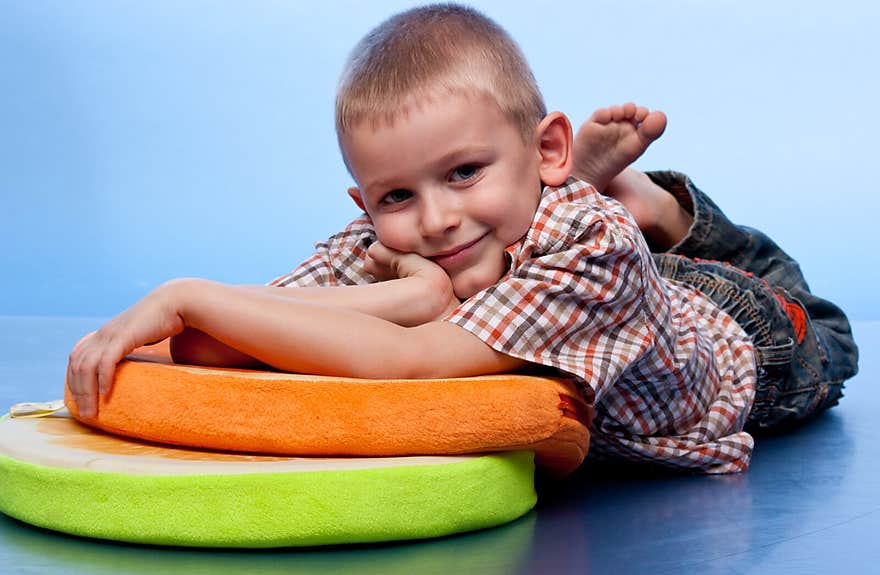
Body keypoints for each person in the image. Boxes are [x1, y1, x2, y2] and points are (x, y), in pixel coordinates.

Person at [66, 4, 858, 474]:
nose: (435, 219)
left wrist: (181, 294)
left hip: (744, 338)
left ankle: (649, 203)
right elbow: (232, 343)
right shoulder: (384, 237)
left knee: (822, 322)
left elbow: (414, 361)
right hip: (546, 271)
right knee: (454, 241)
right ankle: (552, 185)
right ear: (364, 198)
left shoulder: (595, 251)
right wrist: (415, 290)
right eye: (398, 194)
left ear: (544, 143)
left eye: (464, 171)